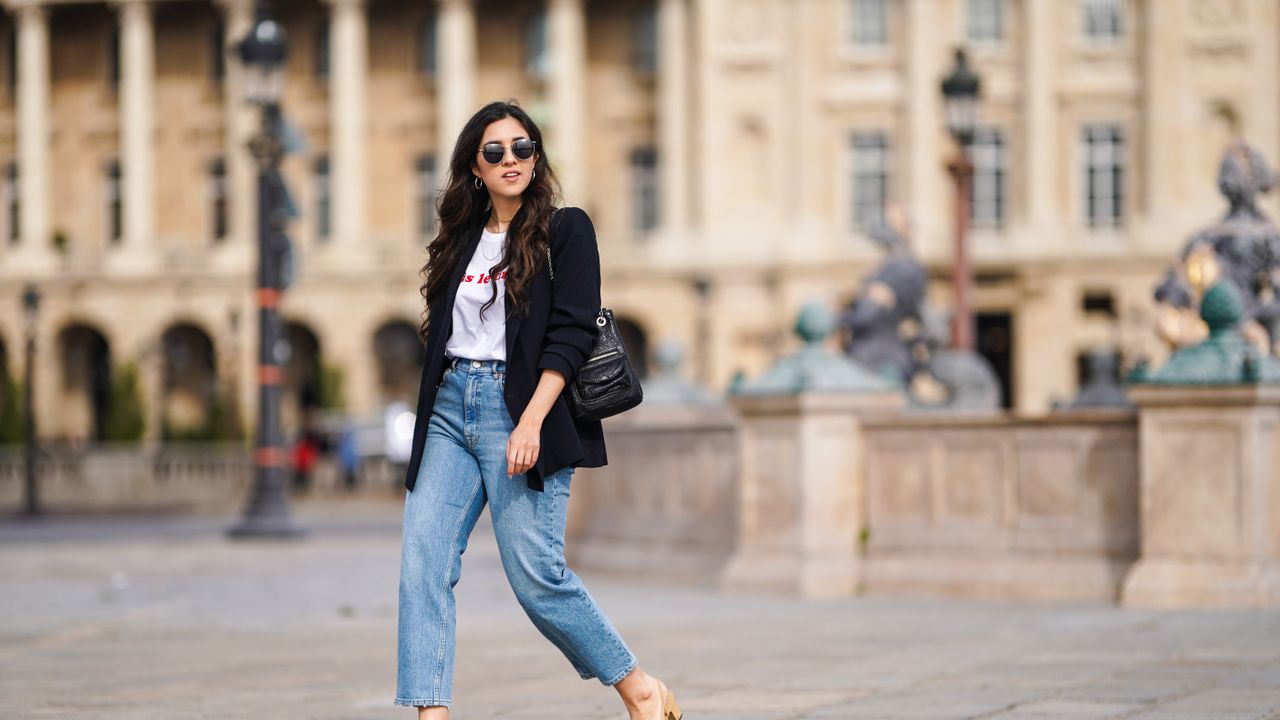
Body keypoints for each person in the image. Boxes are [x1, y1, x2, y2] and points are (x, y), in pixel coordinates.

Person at [395, 100, 682, 720]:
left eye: (522, 148)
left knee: (535, 575)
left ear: (536, 156)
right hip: (449, 407)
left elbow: (574, 332)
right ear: (474, 165)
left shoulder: (566, 229)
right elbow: (441, 332)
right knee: (423, 560)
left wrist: (528, 421)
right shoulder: (458, 239)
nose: (510, 160)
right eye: (494, 151)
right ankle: (430, 712)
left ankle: (638, 686)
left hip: (522, 409)